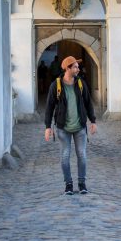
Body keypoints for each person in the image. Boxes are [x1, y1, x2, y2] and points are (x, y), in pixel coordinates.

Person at [44, 56, 97, 195]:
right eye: (75, 67)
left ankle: (82, 183)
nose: (78, 69)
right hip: (63, 128)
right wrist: (48, 127)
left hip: (80, 126)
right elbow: (49, 107)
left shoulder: (81, 83)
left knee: (82, 155)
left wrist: (93, 121)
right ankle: (68, 184)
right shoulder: (56, 85)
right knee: (65, 156)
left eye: (78, 67)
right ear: (68, 68)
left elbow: (88, 103)